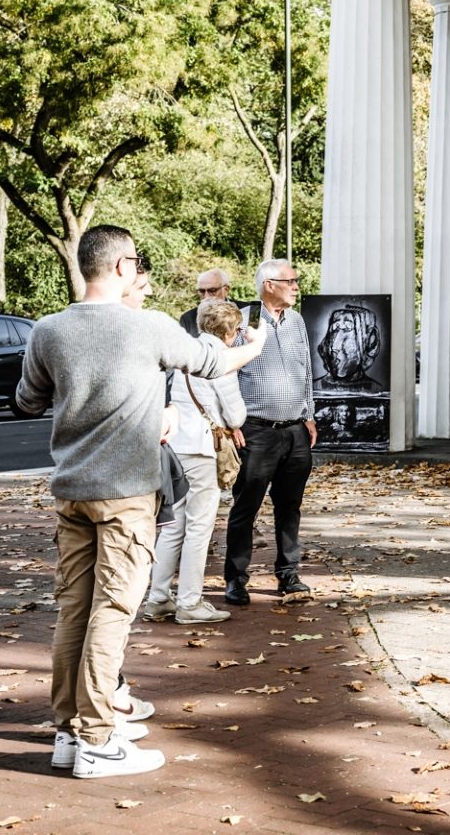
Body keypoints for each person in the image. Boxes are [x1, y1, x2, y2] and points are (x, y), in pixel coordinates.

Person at [18, 226, 269, 779]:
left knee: (73, 612)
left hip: (71, 492)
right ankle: (98, 739)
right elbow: (211, 362)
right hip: (126, 496)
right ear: (122, 266)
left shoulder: (47, 331)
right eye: (135, 262)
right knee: (113, 611)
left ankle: (67, 732)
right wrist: (252, 346)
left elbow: (27, 399)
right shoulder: (149, 327)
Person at [143, 299, 249, 625]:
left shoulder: (184, 354)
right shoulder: (220, 360)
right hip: (203, 449)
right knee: (199, 528)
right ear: (230, 331)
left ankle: (158, 597)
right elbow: (236, 414)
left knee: (173, 526)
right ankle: (190, 601)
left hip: (176, 447)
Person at [223, 258, 316, 606]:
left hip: (295, 431)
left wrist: (309, 414)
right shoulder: (244, 319)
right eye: (289, 280)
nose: (295, 285)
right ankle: (236, 578)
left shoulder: (297, 321)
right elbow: (226, 371)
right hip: (255, 431)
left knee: (290, 506)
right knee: (245, 506)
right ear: (268, 285)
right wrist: (233, 421)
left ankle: (289, 574)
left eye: (295, 280)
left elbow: (306, 369)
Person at [178, 268, 234, 338]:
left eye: (212, 290)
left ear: (226, 289)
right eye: (201, 291)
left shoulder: (247, 310)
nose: (206, 296)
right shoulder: (187, 319)